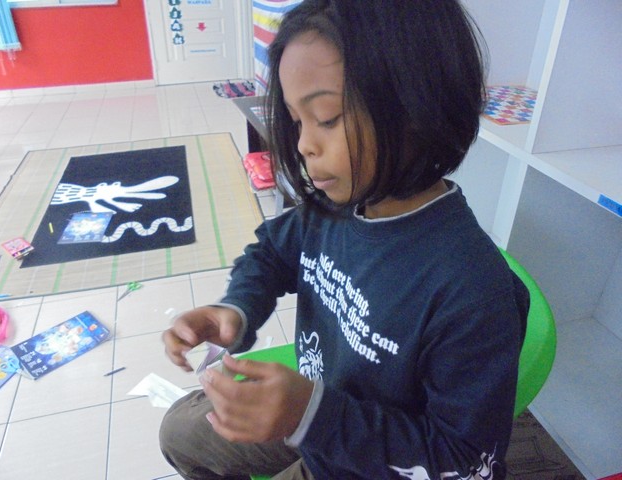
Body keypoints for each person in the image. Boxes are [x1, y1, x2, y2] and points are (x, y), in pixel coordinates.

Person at [159, 1, 530, 479]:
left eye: (327, 117)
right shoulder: (335, 209)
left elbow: (467, 463)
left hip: (370, 460)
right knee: (179, 432)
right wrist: (236, 308)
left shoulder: (471, 291)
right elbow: (271, 253)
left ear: (418, 109)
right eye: (297, 121)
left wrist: (312, 416)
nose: (302, 145)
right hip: (313, 415)